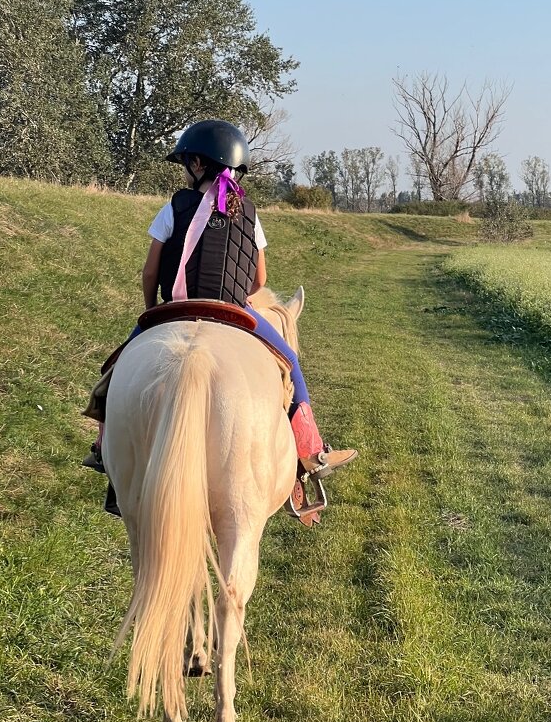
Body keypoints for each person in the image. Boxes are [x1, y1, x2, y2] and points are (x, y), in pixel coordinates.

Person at [85, 118, 356, 493]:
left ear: (198, 165)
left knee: (115, 366)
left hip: (173, 309)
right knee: (290, 363)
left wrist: (151, 311)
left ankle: (103, 446)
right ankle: (311, 450)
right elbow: (259, 281)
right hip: (234, 311)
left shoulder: (173, 208)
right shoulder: (249, 213)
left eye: (187, 164)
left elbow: (150, 272)